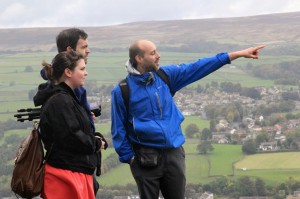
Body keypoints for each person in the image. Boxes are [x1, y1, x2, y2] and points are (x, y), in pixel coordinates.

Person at [110, 39, 265, 199]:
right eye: (153, 53)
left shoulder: (165, 77)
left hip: (173, 153)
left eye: (157, 51)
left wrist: (236, 55)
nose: (158, 56)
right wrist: (131, 159)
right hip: (145, 157)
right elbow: (118, 129)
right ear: (139, 59)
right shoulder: (123, 90)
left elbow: (198, 67)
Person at [33, 50, 106, 199]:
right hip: (65, 176)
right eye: (82, 69)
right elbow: (72, 137)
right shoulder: (61, 101)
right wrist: (96, 143)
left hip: (72, 173)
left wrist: (94, 138)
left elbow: (74, 131)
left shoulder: (65, 98)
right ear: (68, 72)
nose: (86, 73)